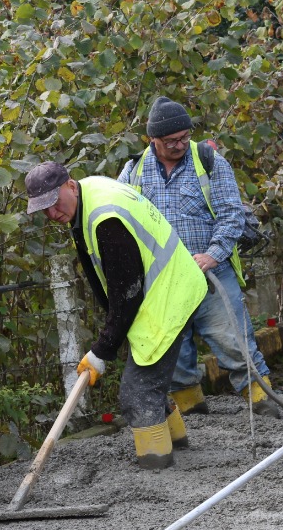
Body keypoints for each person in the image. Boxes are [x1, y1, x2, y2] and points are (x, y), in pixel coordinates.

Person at [24, 161, 207, 469]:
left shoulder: (105, 218)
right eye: (44, 209)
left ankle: (156, 463)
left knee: (138, 392)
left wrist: (103, 349)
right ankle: (177, 442)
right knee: (148, 379)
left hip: (168, 296)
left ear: (70, 185)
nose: (52, 214)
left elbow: (128, 292)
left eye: (55, 203)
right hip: (169, 286)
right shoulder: (89, 194)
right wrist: (110, 336)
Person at [119, 96, 281, 418]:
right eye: (171, 141)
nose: (180, 145)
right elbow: (123, 222)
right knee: (175, 353)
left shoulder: (209, 162)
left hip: (211, 275)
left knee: (234, 342)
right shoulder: (133, 172)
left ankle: (264, 403)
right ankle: (192, 409)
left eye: (184, 137)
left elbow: (231, 214)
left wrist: (212, 255)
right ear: (152, 139)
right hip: (163, 283)